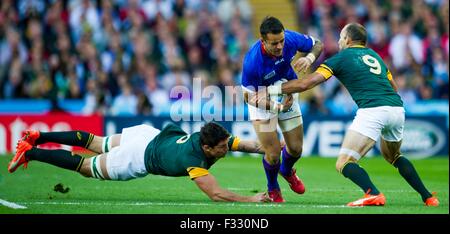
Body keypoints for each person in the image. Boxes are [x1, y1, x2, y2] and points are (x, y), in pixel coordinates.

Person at [264, 23, 439, 206]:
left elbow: (306, 84)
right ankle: (428, 197)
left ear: (347, 39)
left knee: (344, 162)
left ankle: (373, 193)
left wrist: (272, 89)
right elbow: (393, 87)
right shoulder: (375, 56)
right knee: (394, 156)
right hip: (396, 109)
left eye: (341, 37)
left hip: (373, 110)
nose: (339, 41)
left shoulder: (340, 58)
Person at [8, 122, 272, 203]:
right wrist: (251, 200)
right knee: (86, 167)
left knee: (96, 143)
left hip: (149, 135)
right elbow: (216, 194)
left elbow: (245, 144)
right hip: (137, 157)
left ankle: (38, 135)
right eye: (223, 147)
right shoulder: (194, 159)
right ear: (206, 148)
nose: (228, 148)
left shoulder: (209, 137)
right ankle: (29, 152)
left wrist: (270, 149)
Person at [241, 16, 323, 202]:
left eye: (281, 41)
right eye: (274, 44)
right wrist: (275, 106)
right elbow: (249, 97)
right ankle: (273, 188)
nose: (280, 47)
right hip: (261, 102)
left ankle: (286, 171)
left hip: (287, 92)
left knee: (295, 149)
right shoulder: (253, 62)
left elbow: (318, 44)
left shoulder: (290, 39)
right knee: (272, 153)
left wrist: (309, 58)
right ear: (263, 41)